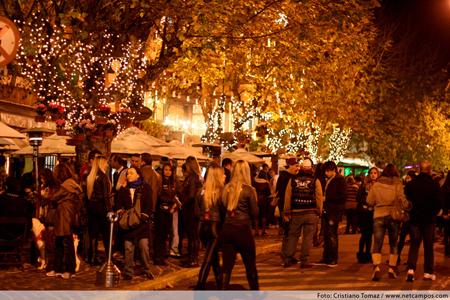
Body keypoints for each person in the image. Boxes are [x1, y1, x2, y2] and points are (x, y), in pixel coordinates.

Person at [366, 163, 411, 281]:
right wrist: (408, 206)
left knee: (377, 243)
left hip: (378, 216)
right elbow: (403, 200)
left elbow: (369, 201)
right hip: (393, 217)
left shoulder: (376, 185)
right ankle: (392, 268)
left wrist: (378, 202)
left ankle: (376, 267)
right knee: (394, 243)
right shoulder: (398, 185)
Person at [219, 160, 259, 290]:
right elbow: (255, 213)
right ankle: (255, 293)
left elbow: (222, 208)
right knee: (250, 265)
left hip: (227, 229)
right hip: (242, 229)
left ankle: (222, 292)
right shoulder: (249, 190)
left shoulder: (226, 188)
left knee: (227, 265)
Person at [404, 161, 443, 282]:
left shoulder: (411, 185)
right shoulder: (434, 185)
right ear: (430, 170)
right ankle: (428, 272)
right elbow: (439, 202)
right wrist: (434, 212)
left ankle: (410, 269)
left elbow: (407, 202)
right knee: (428, 246)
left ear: (419, 170)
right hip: (429, 219)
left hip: (415, 219)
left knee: (414, 244)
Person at [115, 166, 154, 280]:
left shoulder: (145, 187)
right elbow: (118, 204)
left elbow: (149, 204)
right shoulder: (124, 188)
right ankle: (128, 272)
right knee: (128, 248)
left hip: (142, 224)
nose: (129, 175)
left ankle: (147, 269)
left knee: (144, 247)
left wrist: (144, 217)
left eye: (131, 173)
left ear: (138, 175)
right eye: (127, 174)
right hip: (128, 224)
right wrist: (122, 215)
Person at [283, 159, 323, 268]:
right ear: (311, 168)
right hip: (311, 212)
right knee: (308, 237)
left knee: (293, 236)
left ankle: (287, 259)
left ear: (301, 167)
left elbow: (288, 196)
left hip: (296, 212)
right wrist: (319, 211)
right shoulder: (315, 180)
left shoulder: (292, 179)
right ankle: (304, 260)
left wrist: (286, 211)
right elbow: (319, 197)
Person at [45, 163, 82, 280]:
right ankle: (58, 268)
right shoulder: (71, 184)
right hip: (65, 216)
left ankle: (69, 269)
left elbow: (53, 197)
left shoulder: (66, 187)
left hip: (64, 217)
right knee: (60, 244)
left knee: (67, 244)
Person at [195, 164, 225, 290]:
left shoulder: (200, 191)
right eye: (223, 174)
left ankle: (221, 285)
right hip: (215, 226)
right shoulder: (222, 191)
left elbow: (197, 212)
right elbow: (224, 212)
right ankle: (200, 285)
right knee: (208, 258)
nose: (225, 176)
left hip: (202, 227)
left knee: (213, 258)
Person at [314, 161, 347, 268]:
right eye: (325, 171)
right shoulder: (326, 180)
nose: (326, 173)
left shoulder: (340, 180)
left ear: (334, 170)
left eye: (328, 171)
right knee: (325, 235)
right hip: (326, 210)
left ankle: (333, 258)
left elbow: (343, 197)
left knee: (332, 235)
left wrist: (327, 198)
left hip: (335, 211)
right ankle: (326, 257)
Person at [85, 156, 112, 265]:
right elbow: (106, 196)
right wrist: (110, 210)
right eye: (106, 163)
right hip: (101, 206)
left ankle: (92, 258)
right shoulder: (103, 177)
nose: (107, 165)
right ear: (101, 164)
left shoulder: (90, 176)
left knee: (94, 234)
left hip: (92, 205)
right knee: (106, 234)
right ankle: (109, 258)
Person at [180, 156, 204, 268]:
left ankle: (193, 259)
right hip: (196, 209)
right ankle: (192, 258)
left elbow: (191, 194)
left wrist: (183, 205)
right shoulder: (199, 177)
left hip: (192, 209)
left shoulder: (193, 177)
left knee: (192, 236)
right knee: (194, 236)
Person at [153, 162, 179, 266]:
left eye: (169, 170)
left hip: (169, 212)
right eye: (166, 170)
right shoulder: (160, 181)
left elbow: (176, 196)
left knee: (165, 235)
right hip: (161, 211)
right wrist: (172, 200)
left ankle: (162, 256)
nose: (167, 172)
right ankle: (157, 256)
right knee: (159, 234)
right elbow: (159, 196)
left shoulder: (172, 183)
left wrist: (174, 205)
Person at [276, 158, 300, 263]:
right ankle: (286, 255)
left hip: (291, 208)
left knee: (291, 233)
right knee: (288, 233)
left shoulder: (291, 177)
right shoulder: (284, 177)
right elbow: (283, 194)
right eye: (296, 166)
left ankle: (289, 254)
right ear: (290, 165)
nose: (297, 168)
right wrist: (286, 210)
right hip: (286, 209)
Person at [140, 152, 162, 259]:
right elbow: (159, 192)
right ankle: (149, 253)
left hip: (143, 208)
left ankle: (142, 257)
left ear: (143, 161)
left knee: (142, 234)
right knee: (149, 232)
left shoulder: (141, 173)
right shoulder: (157, 175)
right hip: (154, 208)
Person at [355, 167, 379, 264]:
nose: (373, 175)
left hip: (373, 212)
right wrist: (368, 202)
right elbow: (358, 197)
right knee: (364, 234)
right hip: (364, 212)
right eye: (371, 173)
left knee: (370, 235)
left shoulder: (379, 186)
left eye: (375, 173)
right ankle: (361, 254)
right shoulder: (364, 185)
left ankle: (368, 254)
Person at [252, 171, 271, 236]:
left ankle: (256, 231)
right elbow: (269, 193)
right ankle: (263, 230)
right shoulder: (266, 184)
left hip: (256, 199)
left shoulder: (255, 183)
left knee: (256, 215)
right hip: (264, 200)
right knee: (264, 215)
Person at [442, 170, 450, 258]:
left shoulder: (444, 188)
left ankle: (447, 249)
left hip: (447, 212)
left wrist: (444, 211)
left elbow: (443, 201)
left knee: (446, 231)